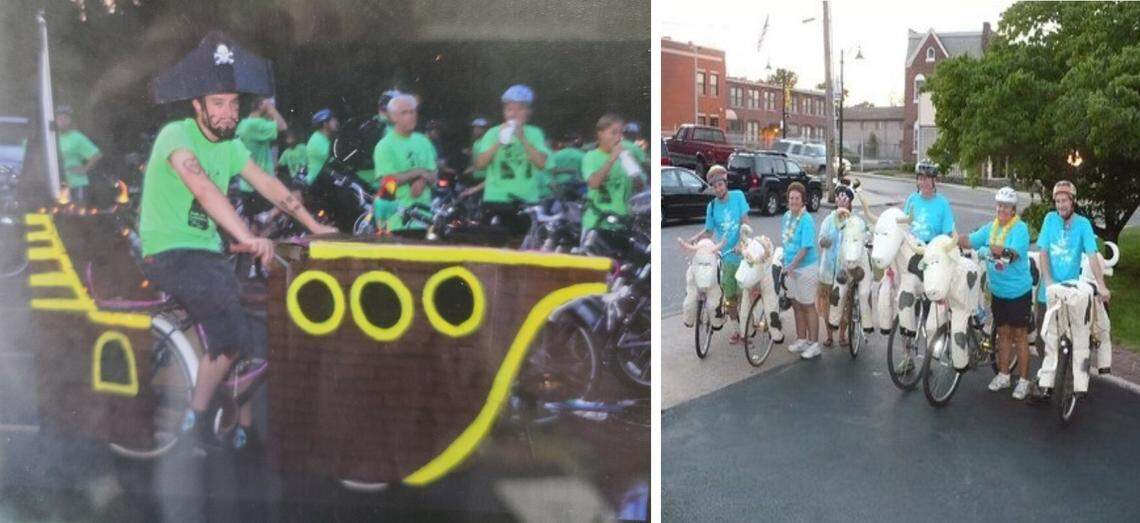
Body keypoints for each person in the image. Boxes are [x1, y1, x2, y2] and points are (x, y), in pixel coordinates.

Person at [139, 33, 337, 452]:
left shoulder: (229, 146)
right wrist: (248, 237)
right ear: (198, 105)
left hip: (207, 253)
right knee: (231, 335)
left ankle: (242, 415)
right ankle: (196, 419)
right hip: (169, 252)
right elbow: (206, 191)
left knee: (257, 320)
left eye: (233, 103)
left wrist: (313, 226)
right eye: (217, 104)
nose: (228, 112)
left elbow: (266, 182)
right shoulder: (176, 135)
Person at [1032, 180, 1111, 399]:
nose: (1060, 205)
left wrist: (1102, 286)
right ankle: (1049, 377)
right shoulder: (1049, 219)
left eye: (1064, 200)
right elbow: (1044, 252)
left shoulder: (1083, 224)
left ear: (1073, 201)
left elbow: (1093, 256)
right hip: (1048, 292)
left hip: (1072, 292)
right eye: (1057, 201)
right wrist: (1048, 282)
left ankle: (1068, 383)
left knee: (1073, 341)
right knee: (1044, 339)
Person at [958, 187, 1034, 398]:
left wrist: (985, 251)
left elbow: (1011, 255)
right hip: (999, 292)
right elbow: (970, 239)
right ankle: (1004, 375)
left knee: (1019, 336)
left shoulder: (1019, 228)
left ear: (1013, 209)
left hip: (1018, 292)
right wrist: (951, 239)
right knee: (1002, 333)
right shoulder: (991, 227)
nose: (1002, 209)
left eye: (1006, 206)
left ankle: (1025, 380)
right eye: (999, 205)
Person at [466, 84, 551, 234]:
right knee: (495, 248)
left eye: (519, 109)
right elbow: (480, 165)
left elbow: (542, 164)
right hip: (497, 199)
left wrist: (522, 138)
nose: (513, 114)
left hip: (527, 200)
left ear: (528, 112)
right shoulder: (492, 133)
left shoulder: (535, 133)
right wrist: (498, 141)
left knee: (525, 249)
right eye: (509, 109)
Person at [683, 166, 750, 344]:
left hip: (742, 253)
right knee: (729, 297)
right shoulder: (711, 206)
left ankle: (748, 323)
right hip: (724, 256)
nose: (718, 189)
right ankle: (738, 331)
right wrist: (694, 239)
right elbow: (708, 231)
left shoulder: (738, 197)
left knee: (744, 295)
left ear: (725, 183)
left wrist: (740, 243)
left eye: (720, 184)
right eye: (715, 186)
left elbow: (745, 224)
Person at [372, 94, 437, 233]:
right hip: (397, 222)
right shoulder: (385, 146)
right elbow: (387, 181)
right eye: (404, 113)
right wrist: (418, 172)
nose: (411, 116)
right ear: (393, 117)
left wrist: (422, 179)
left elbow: (434, 175)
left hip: (425, 219)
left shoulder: (423, 141)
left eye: (413, 111)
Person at [582, 114, 644, 235]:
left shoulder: (625, 156)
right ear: (600, 134)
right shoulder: (591, 157)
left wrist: (631, 166)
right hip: (597, 224)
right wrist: (612, 159)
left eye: (621, 133)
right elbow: (593, 183)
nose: (618, 137)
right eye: (613, 133)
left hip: (622, 224)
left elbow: (640, 187)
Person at [783, 182, 821, 359]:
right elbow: (787, 242)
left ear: (802, 200)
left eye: (797, 198)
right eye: (791, 198)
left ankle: (814, 344)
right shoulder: (786, 216)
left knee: (807, 305)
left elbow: (805, 248)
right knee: (796, 305)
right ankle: (801, 339)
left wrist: (791, 265)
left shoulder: (806, 219)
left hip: (805, 268)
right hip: (791, 268)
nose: (794, 201)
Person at [816, 182, 856, 347]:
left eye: (845, 199)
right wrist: (828, 239)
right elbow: (821, 241)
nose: (842, 201)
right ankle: (829, 336)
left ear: (849, 203)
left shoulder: (854, 221)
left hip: (845, 271)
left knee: (845, 303)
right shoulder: (828, 220)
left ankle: (842, 335)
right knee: (826, 304)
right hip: (827, 270)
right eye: (839, 198)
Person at [235, 96, 288, 215]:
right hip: (261, 185)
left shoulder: (244, 123)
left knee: (254, 225)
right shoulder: (256, 124)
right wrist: (270, 108)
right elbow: (282, 126)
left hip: (247, 185)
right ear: (260, 105)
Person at [55, 105, 102, 205]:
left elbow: (97, 155)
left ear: (70, 121)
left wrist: (84, 169)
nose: (62, 121)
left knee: (77, 215)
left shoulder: (77, 137)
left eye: (65, 118)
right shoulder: (51, 137)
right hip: (57, 184)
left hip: (76, 184)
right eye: (59, 118)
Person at [901, 168, 955, 243]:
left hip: (933, 248)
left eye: (927, 179)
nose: (923, 182)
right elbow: (904, 226)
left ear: (934, 181)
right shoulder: (912, 199)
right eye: (920, 179)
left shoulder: (943, 203)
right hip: (912, 245)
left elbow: (948, 233)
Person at [305, 108, 338, 186]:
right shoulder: (317, 140)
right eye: (333, 120)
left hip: (323, 179)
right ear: (325, 124)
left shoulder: (323, 137)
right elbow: (332, 160)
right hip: (317, 183)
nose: (336, 122)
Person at [462, 117, 489, 184]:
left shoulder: (487, 141)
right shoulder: (476, 142)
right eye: (475, 128)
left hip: (485, 177)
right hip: (476, 176)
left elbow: (486, 159)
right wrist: (470, 152)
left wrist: (471, 168)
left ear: (485, 129)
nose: (476, 130)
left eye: (479, 128)